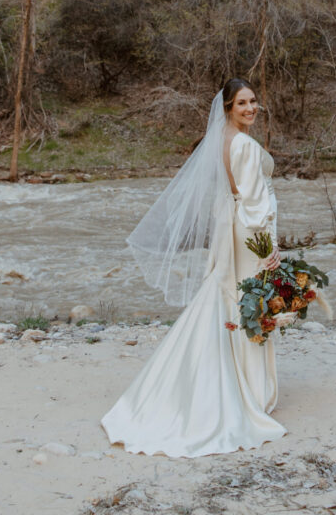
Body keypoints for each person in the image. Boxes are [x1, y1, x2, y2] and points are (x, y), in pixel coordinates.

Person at [100, 77, 286, 457]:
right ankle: (250, 390)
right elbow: (254, 203)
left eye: (253, 102)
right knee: (249, 300)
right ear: (228, 108)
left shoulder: (219, 141)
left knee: (227, 296)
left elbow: (229, 196)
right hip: (249, 233)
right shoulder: (246, 146)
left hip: (228, 227)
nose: (250, 108)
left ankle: (207, 377)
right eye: (242, 103)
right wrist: (269, 249)